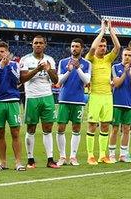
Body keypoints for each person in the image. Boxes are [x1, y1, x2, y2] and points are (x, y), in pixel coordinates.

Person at [19, 35, 59, 169]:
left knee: (48, 129)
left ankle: (50, 159)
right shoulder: (25, 59)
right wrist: (37, 69)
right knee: (31, 128)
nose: (38, 45)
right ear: (32, 45)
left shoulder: (50, 60)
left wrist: (48, 69)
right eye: (35, 43)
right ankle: (30, 160)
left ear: (45, 45)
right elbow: (23, 79)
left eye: (41, 43)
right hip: (32, 97)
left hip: (47, 97)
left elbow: (55, 80)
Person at [85, 20, 121, 164]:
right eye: (101, 45)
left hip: (107, 96)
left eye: (105, 46)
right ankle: (90, 155)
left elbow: (117, 47)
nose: (103, 48)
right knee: (92, 125)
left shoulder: (108, 59)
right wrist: (102, 31)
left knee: (105, 125)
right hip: (95, 95)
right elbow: (92, 48)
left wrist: (111, 30)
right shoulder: (91, 59)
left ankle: (102, 155)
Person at [0, 41, 25, 171]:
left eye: (2, 51)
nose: (0, 53)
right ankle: (2, 162)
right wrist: (1, 68)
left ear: (7, 52)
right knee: (0, 134)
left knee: (15, 132)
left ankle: (18, 162)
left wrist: (7, 66)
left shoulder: (15, 65)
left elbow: (17, 80)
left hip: (13, 101)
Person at [55, 38, 91, 166]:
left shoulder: (87, 63)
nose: (74, 48)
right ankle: (62, 156)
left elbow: (87, 81)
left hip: (78, 100)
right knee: (60, 127)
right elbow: (60, 81)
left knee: (76, 127)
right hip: (64, 98)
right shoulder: (63, 62)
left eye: (77, 46)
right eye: (72, 46)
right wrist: (69, 70)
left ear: (81, 48)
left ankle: (73, 156)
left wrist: (78, 68)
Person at [109, 48, 131, 163]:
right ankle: (111, 154)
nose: (127, 57)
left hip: (129, 104)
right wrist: (125, 73)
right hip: (117, 103)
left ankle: (123, 154)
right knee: (115, 129)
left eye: (129, 55)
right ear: (121, 56)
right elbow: (116, 84)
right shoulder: (115, 67)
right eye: (125, 55)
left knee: (127, 129)